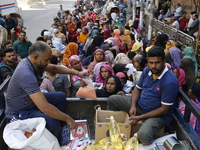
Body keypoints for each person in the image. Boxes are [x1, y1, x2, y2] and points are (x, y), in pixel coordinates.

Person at [5, 41, 88, 143]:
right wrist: (68, 119)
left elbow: (54, 67)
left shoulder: (34, 63)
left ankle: (59, 125)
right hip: (19, 112)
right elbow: (44, 107)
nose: (48, 62)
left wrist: (78, 73)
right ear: (35, 57)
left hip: (30, 102)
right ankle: (55, 140)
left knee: (60, 97)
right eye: (47, 59)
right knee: (52, 122)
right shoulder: (26, 74)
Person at [108, 46, 179, 145]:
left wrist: (140, 117)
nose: (154, 66)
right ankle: (118, 132)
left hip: (158, 115)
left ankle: (160, 138)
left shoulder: (170, 81)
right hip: (140, 106)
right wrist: (133, 105)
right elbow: (137, 88)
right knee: (112, 100)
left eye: (157, 63)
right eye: (151, 63)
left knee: (144, 136)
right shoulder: (147, 71)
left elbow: (164, 109)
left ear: (164, 61)